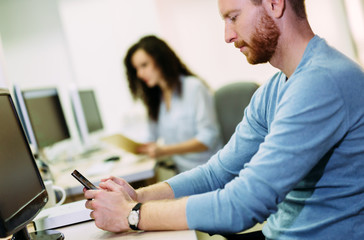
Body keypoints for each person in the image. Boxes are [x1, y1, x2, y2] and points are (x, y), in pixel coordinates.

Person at [84, 0, 364, 239]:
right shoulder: (276, 88)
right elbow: (217, 173)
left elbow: (242, 205)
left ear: (275, 3)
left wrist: (132, 216)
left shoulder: (322, 82)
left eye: (233, 17)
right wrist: (138, 197)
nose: (228, 35)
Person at [123, 35, 223, 173]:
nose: (140, 74)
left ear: (161, 60)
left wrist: (164, 150)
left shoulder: (193, 87)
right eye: (136, 69)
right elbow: (151, 137)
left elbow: (208, 138)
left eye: (144, 65)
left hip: (209, 171)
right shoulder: (156, 99)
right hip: (183, 173)